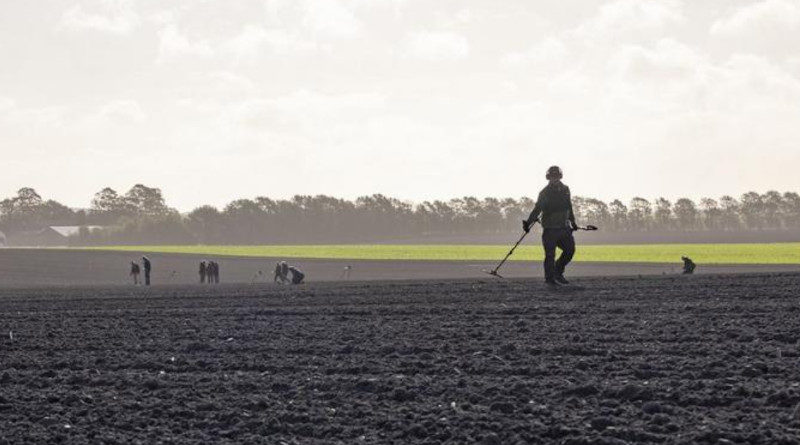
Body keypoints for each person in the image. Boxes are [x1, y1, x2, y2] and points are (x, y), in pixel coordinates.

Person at [522, 165, 578, 286]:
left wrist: (573, 222)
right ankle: (550, 279)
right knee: (550, 255)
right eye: (552, 176)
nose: (555, 178)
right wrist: (528, 223)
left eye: (556, 176)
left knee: (570, 251)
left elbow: (569, 206)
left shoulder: (566, 189)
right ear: (549, 177)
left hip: (564, 228)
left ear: (560, 176)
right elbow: (537, 209)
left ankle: (558, 272)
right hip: (550, 229)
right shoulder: (545, 193)